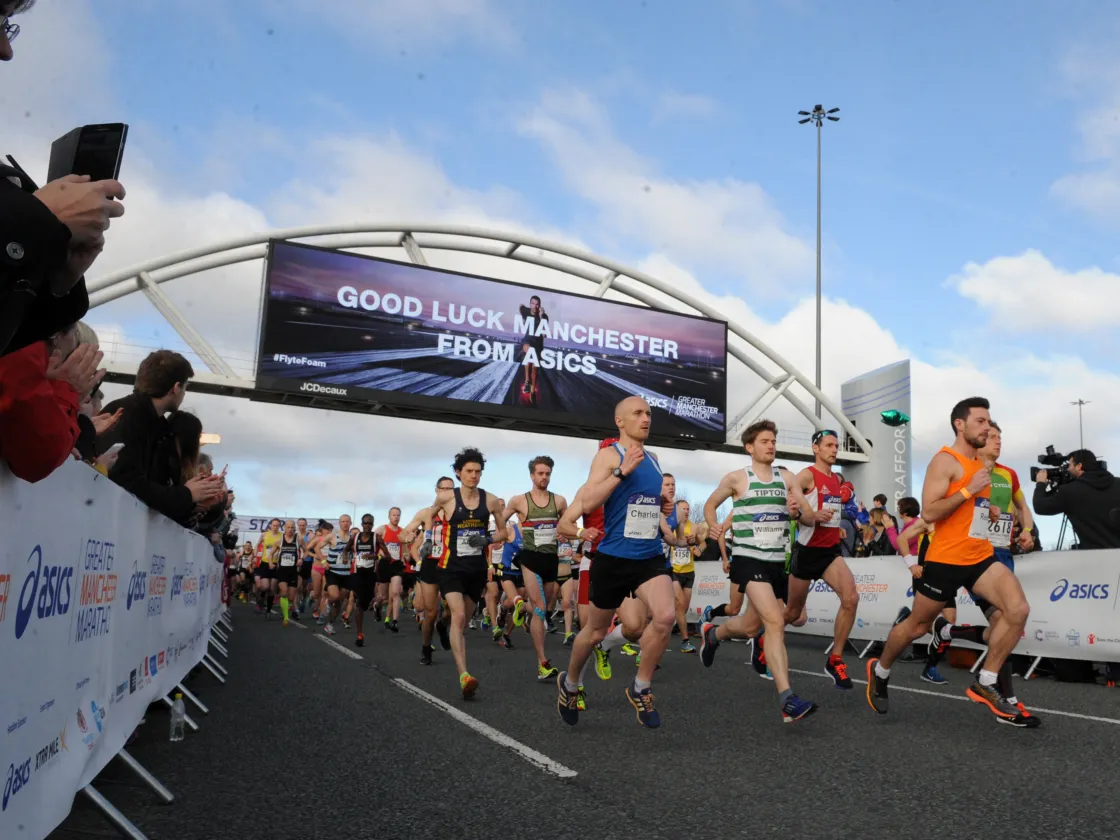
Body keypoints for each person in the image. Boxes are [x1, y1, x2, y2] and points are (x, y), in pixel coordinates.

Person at [867, 397, 1037, 726]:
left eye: (989, 421)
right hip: (945, 561)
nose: (987, 428)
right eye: (980, 422)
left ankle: (986, 681)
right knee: (917, 626)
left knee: (1018, 610)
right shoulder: (945, 461)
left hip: (980, 557)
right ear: (960, 424)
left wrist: (988, 509)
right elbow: (930, 511)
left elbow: (968, 510)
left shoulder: (981, 466)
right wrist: (968, 492)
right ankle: (881, 669)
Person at [556, 397, 676, 729]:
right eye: (638, 413)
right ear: (620, 421)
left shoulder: (653, 459)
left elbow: (644, 503)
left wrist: (662, 504)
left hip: (648, 556)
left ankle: (640, 687)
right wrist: (622, 472)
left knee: (665, 616)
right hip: (612, 558)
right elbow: (588, 501)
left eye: (648, 413)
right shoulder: (609, 457)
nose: (646, 418)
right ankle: (571, 684)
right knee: (594, 631)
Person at [699, 419, 818, 723]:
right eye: (764, 441)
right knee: (776, 622)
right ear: (749, 447)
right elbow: (711, 505)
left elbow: (808, 518)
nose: (771, 446)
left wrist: (798, 513)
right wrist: (713, 524)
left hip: (777, 562)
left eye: (773, 441)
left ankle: (714, 634)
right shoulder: (737, 478)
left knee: (752, 627)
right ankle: (787, 699)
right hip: (748, 559)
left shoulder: (787, 478)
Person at [404, 448, 507, 699]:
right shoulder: (447, 498)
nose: (474, 476)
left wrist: (487, 539)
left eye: (478, 471)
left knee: (458, 621)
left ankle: (443, 626)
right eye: (469, 471)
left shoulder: (491, 500)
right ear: (459, 473)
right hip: (450, 568)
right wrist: (428, 538)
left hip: (476, 570)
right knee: (459, 617)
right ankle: (464, 676)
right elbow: (429, 515)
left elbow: (504, 532)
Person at [785, 429, 860, 690]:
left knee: (851, 599)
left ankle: (835, 660)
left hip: (830, 552)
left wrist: (835, 527)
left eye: (836, 445)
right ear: (815, 448)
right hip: (807, 551)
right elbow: (790, 503)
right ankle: (762, 636)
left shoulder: (837, 479)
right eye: (828, 445)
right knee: (793, 614)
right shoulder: (806, 475)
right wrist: (807, 515)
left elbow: (832, 511)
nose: (834, 449)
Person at [502, 456, 568, 681]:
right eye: (540, 473)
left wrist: (566, 533)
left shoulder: (559, 501)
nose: (544, 477)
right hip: (530, 559)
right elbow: (501, 521)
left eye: (547, 473)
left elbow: (568, 524)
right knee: (540, 609)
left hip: (550, 559)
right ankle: (542, 663)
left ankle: (521, 608)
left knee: (545, 607)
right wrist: (491, 537)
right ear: (532, 475)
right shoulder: (519, 501)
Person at [406, 476, 455, 665]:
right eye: (444, 489)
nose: (447, 492)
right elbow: (405, 532)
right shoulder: (427, 513)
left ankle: (442, 626)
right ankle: (426, 648)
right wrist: (407, 536)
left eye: (451, 489)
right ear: (437, 490)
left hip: (450, 564)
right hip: (430, 565)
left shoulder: (458, 513)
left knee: (452, 611)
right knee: (431, 612)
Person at [1033, 449, 1120, 550]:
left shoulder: (1070, 491)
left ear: (1078, 466)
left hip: (1095, 555)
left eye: (1069, 465)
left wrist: (1040, 484)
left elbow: (1040, 506)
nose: (1068, 469)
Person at [669, 500, 702, 653]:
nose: (686, 511)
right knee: (680, 604)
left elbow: (703, 543)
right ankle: (685, 640)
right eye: (683, 509)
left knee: (683, 608)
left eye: (688, 509)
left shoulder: (694, 527)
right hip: (673, 570)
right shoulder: (671, 525)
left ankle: (662, 622)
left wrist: (698, 548)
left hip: (689, 571)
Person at [319, 515, 353, 636]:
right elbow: (317, 548)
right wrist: (323, 561)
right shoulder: (332, 536)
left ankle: (330, 624)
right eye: (343, 521)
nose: (345, 523)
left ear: (350, 523)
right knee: (334, 595)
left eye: (347, 521)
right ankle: (328, 603)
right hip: (333, 572)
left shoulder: (353, 538)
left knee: (339, 601)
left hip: (346, 573)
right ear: (339, 523)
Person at [352, 514, 382, 647]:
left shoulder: (377, 538)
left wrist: (374, 557)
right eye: (365, 523)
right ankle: (360, 635)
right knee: (358, 603)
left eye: (370, 523)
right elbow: (347, 549)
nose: (367, 526)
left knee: (365, 603)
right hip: (358, 573)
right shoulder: (355, 537)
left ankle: (375, 604)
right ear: (362, 524)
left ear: (373, 524)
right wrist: (346, 556)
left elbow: (386, 556)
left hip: (371, 574)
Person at [375, 507, 407, 632]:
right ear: (389, 516)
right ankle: (377, 605)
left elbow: (405, 547)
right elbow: (373, 541)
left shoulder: (402, 531)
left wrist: (406, 556)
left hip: (396, 564)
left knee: (396, 593)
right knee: (383, 596)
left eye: (398, 515)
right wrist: (377, 554)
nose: (396, 517)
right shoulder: (382, 529)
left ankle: (395, 621)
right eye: (394, 515)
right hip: (384, 564)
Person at [273, 520, 302, 627]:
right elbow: (270, 554)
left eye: (292, 527)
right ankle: (286, 617)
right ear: (285, 528)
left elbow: (307, 551)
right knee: (284, 591)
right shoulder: (279, 540)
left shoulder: (298, 540)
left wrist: (302, 559)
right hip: (282, 571)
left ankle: (287, 607)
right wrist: (271, 563)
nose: (290, 529)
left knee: (291, 597)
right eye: (288, 527)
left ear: (294, 528)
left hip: (293, 571)